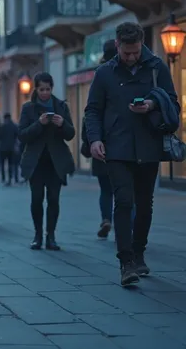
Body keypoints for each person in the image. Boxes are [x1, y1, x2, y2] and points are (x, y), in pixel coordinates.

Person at [85, 22, 179, 286]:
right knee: (123, 201)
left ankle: (139, 254)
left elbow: (173, 102)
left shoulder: (157, 67)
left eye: (135, 51)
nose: (131, 57)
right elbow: (92, 110)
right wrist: (94, 140)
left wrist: (151, 104)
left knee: (145, 204)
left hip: (148, 146)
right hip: (116, 148)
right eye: (126, 52)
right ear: (117, 46)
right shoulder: (104, 73)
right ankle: (125, 262)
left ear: (141, 44)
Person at [18, 72, 75, 250]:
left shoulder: (60, 106)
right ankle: (37, 235)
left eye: (47, 89)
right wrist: (39, 123)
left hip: (55, 162)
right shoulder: (28, 108)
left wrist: (62, 124)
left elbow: (70, 133)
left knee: (53, 199)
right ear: (36, 89)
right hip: (35, 162)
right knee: (36, 199)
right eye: (41, 89)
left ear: (52, 88)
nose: (44, 93)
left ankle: (51, 236)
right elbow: (22, 135)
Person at [82, 40, 117, 239]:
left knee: (105, 189)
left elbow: (90, 113)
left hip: (100, 145)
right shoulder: (115, 73)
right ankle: (126, 225)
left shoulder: (99, 74)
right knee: (124, 190)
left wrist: (90, 141)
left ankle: (106, 218)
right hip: (118, 144)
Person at [0, 113, 20, 186]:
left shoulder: (2, 127)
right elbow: (18, 136)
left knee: (2, 164)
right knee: (11, 164)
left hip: (3, 148)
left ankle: (3, 178)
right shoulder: (14, 126)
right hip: (11, 148)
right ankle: (10, 178)